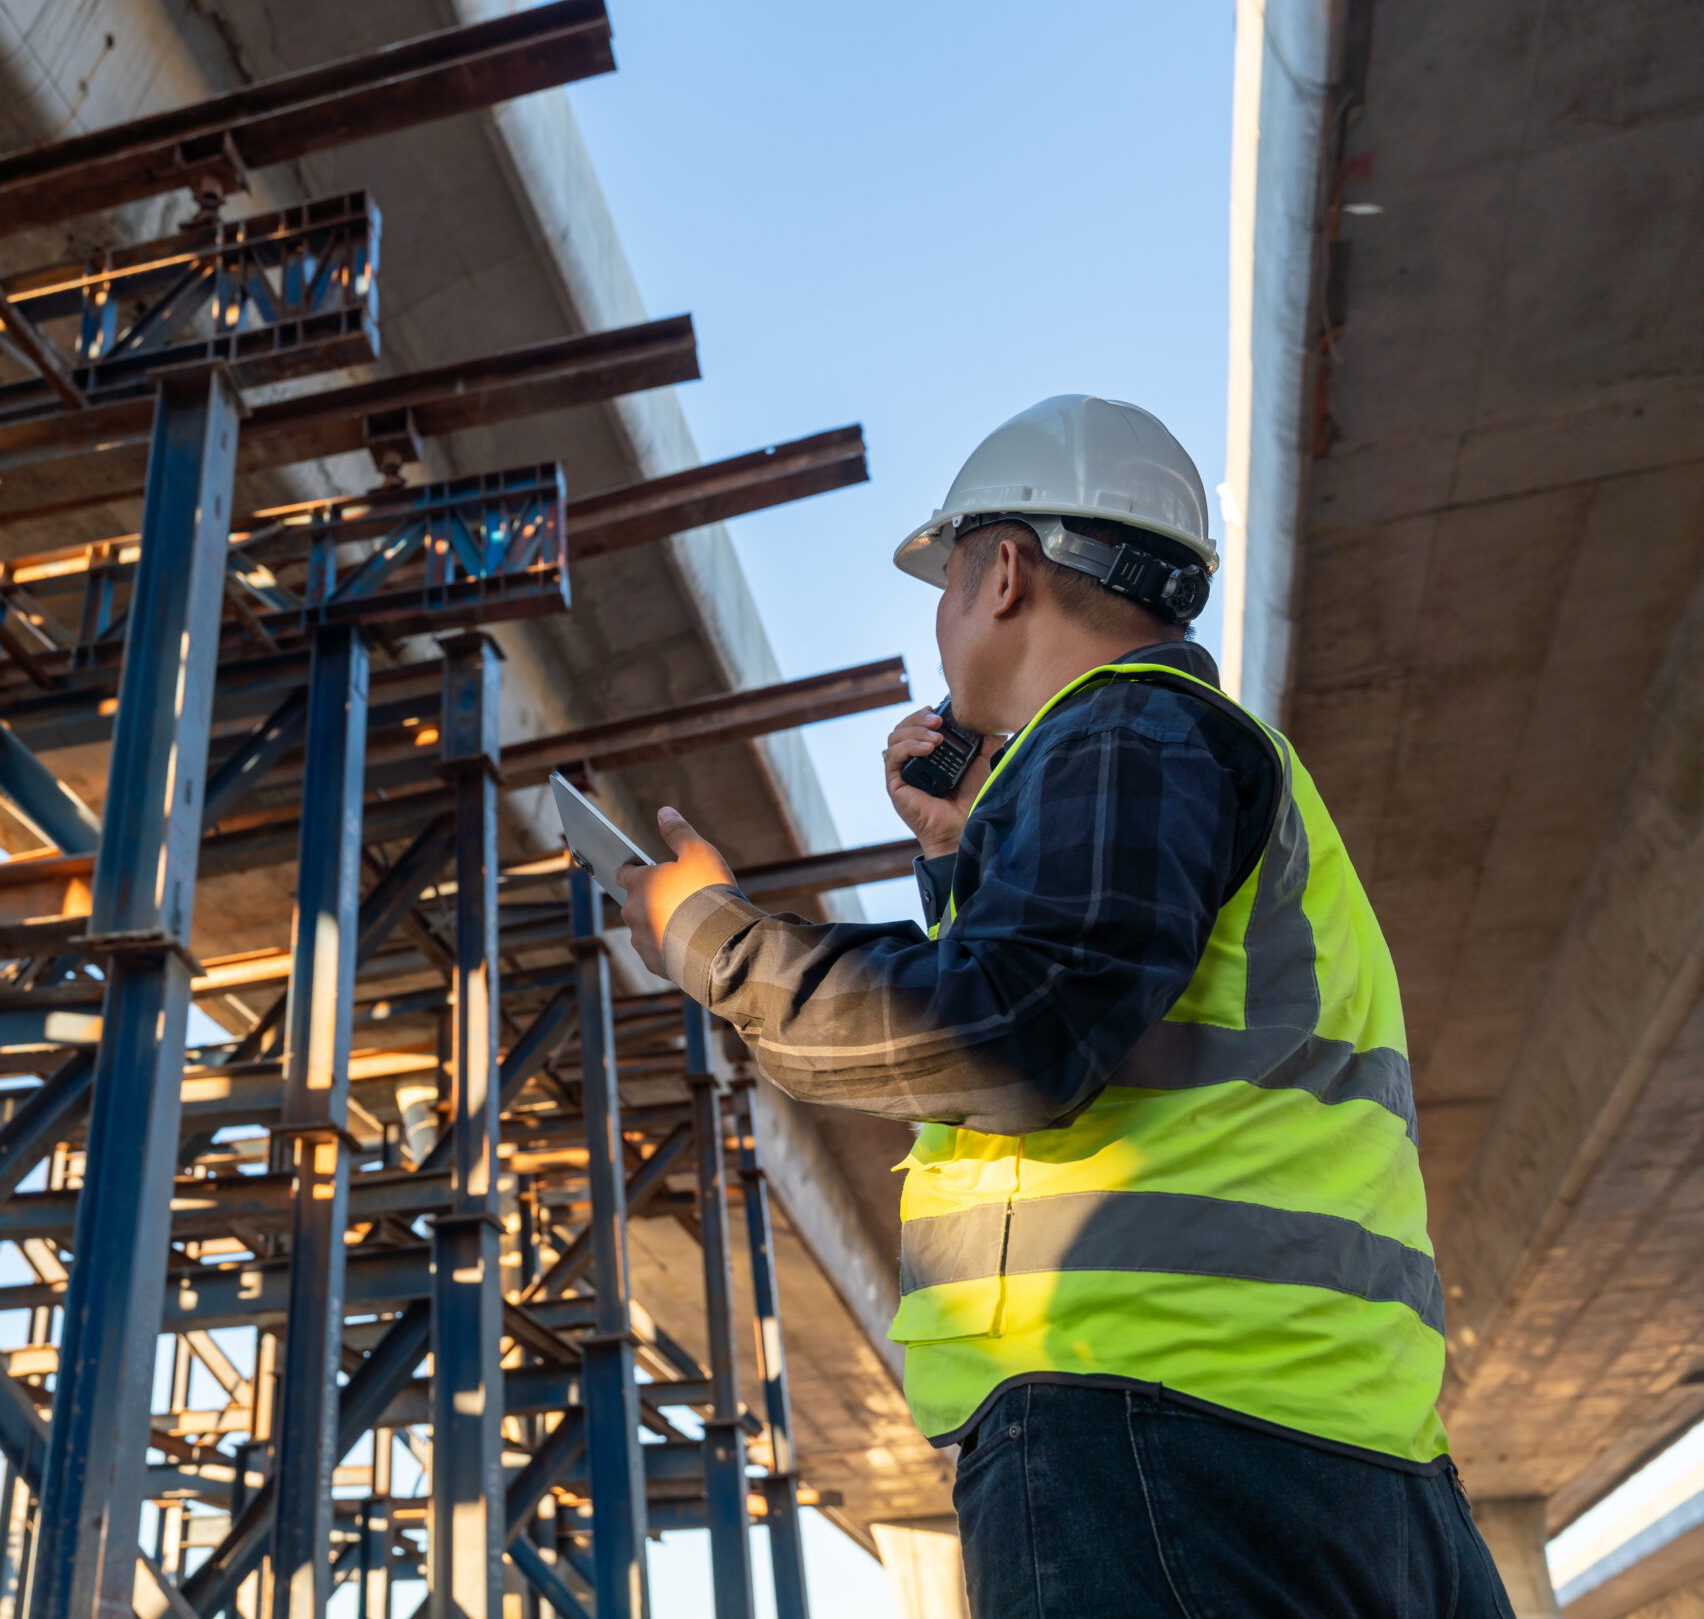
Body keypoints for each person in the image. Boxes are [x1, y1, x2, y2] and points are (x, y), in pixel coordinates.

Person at [615, 396, 1512, 1617]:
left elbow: (1018, 1032)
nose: (936, 619)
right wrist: (968, 854)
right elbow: (1089, 1002)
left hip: (1154, 1434)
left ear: (1002, 572)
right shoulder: (1188, 752)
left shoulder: (1128, 727)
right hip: (1343, 1450)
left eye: (942, 579)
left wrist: (713, 943)